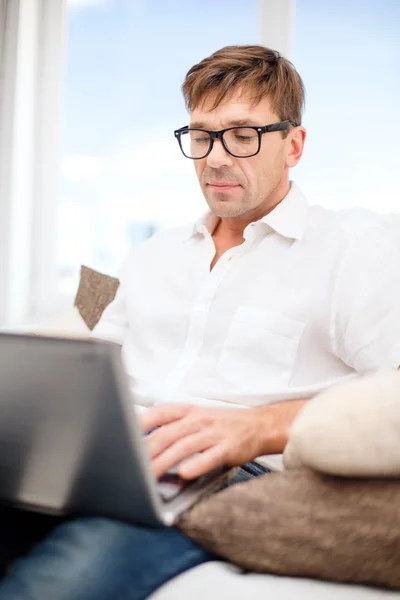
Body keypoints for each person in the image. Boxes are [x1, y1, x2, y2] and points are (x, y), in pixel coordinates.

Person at [0, 44, 399, 600]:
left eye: (242, 134)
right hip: (116, 458)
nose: (214, 157)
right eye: (201, 135)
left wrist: (257, 427)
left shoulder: (354, 248)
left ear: (294, 145)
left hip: (227, 473)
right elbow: (94, 365)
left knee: (53, 586)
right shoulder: (151, 255)